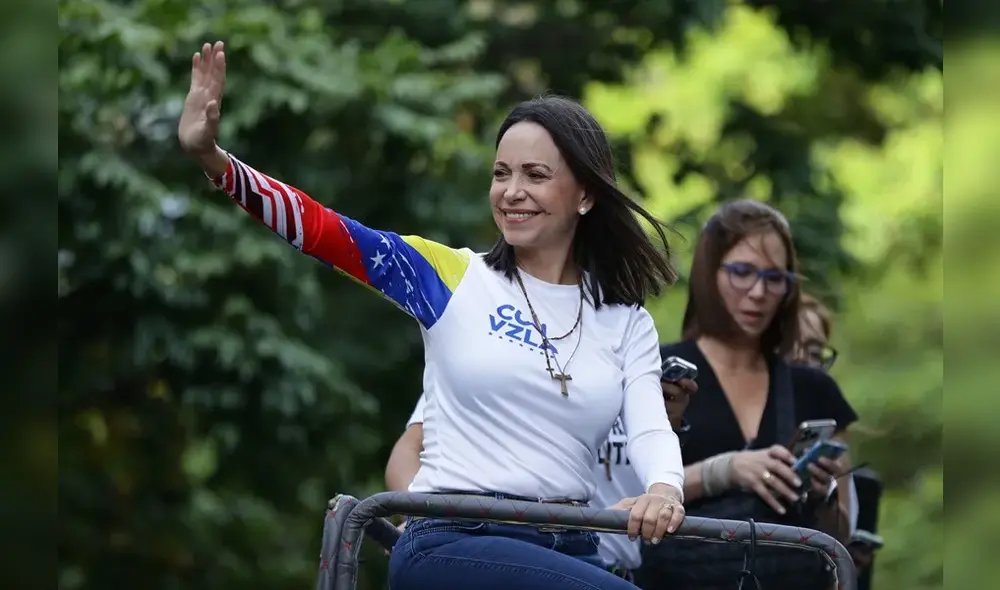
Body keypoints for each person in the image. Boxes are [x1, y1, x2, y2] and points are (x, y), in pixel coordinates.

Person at [179, 41, 686, 590]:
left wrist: (664, 489)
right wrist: (213, 160)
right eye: (501, 173)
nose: (512, 192)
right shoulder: (451, 277)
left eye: (535, 175)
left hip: (570, 544)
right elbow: (322, 229)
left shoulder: (625, 318)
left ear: (585, 195)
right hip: (453, 542)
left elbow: (651, 428)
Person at [637, 200, 859, 590]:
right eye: (742, 272)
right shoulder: (660, 371)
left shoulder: (814, 388)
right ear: (709, 274)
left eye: (775, 278)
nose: (758, 292)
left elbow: (840, 538)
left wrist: (823, 494)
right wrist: (726, 471)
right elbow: (624, 499)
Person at [386, 346, 699, 585]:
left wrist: (667, 424)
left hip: (600, 560)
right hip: (501, 542)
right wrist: (423, 513)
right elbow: (411, 446)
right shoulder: (492, 357)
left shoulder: (632, 359)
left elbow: (653, 451)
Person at [793, 293, 883, 590]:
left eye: (815, 352)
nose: (804, 360)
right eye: (794, 344)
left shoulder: (830, 433)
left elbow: (840, 535)